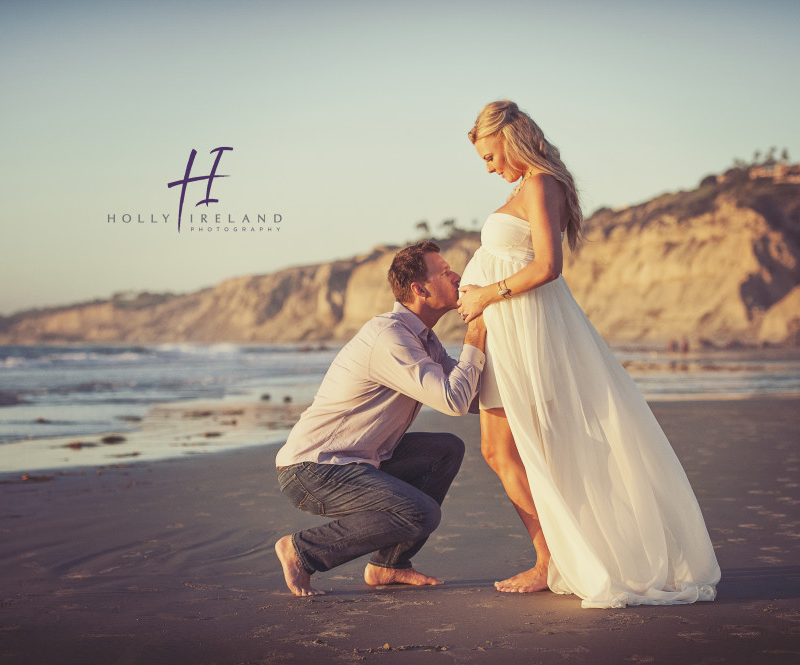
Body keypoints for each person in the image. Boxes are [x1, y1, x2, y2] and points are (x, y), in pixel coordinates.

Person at [456, 100, 720, 608]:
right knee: (500, 450)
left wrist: (487, 294)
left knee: (535, 448)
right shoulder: (523, 186)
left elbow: (549, 266)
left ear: (510, 141)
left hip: (528, 330)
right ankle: (552, 555)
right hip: (506, 330)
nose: (488, 168)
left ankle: (550, 559)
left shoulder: (539, 184)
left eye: (490, 156)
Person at [274, 241, 487, 596]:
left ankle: (389, 565)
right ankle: (301, 551)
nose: (457, 276)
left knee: (445, 449)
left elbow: (470, 395)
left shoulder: (423, 339)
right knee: (421, 514)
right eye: (446, 271)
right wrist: (477, 329)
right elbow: (453, 400)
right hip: (313, 470)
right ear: (420, 289)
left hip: (360, 460)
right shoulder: (390, 337)